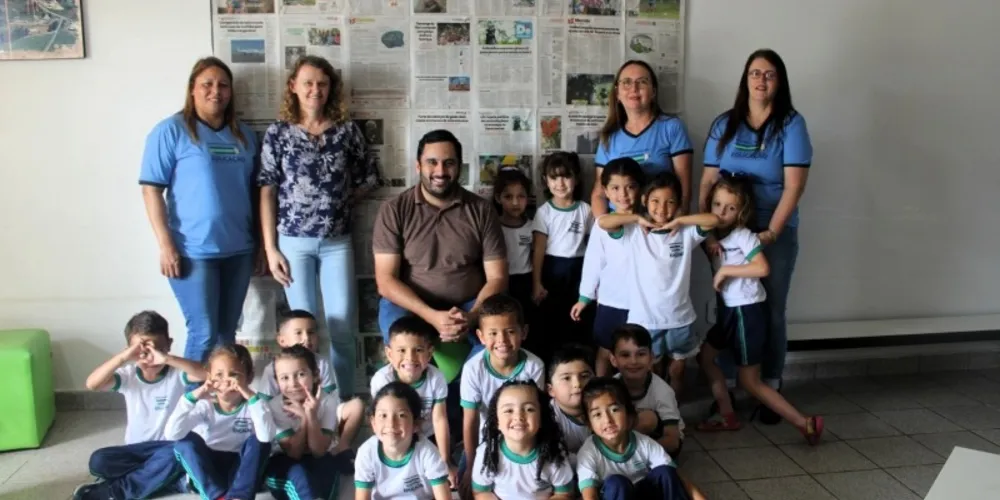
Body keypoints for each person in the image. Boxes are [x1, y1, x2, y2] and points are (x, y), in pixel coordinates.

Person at [697, 48, 813, 425]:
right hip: (727, 228)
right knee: (732, 308)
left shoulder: (791, 125)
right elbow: (708, 180)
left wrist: (770, 233)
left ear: (779, 82)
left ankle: (770, 385)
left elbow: (794, 187)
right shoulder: (724, 124)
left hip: (769, 230)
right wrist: (706, 228)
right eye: (755, 73)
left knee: (771, 309)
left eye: (770, 74)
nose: (761, 80)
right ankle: (733, 382)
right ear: (745, 79)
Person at [259, 55, 381, 397]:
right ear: (293, 87)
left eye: (323, 84)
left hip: (336, 244)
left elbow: (370, 176)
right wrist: (270, 249)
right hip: (292, 244)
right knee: (302, 333)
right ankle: (304, 403)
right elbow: (266, 190)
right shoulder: (278, 133)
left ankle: (342, 403)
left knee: (342, 327)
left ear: (331, 89)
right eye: (308, 82)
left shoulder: (346, 131)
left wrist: (339, 202)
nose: (315, 90)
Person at [139, 57, 259, 365]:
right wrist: (166, 246)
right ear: (192, 89)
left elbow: (257, 194)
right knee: (203, 333)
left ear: (231, 92)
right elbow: (151, 189)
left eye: (222, 85)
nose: (215, 91)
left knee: (226, 335)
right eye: (207, 84)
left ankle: (221, 406)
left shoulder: (245, 136)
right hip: (192, 251)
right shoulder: (171, 131)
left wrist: (260, 246)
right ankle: (190, 404)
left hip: (239, 249)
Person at [694, 173, 823, 443]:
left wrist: (726, 270)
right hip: (730, 312)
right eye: (717, 205)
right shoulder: (712, 233)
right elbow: (697, 225)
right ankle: (727, 414)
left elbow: (762, 267)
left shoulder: (743, 235)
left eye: (730, 208)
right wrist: (709, 239)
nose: (722, 213)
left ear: (741, 211)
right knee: (705, 357)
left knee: (750, 381)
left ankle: (804, 423)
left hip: (746, 313)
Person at [372, 129, 508, 385]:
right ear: (418, 165)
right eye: (432, 162)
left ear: (460, 166)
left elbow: (498, 277)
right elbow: (386, 281)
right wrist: (432, 316)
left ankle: (464, 397)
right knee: (402, 346)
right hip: (411, 304)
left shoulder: (481, 210)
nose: (440, 171)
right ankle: (412, 406)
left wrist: (472, 316)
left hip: (469, 304)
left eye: (449, 163)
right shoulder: (394, 210)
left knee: (499, 340)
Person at [597, 173, 719, 395]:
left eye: (670, 202)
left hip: (680, 319)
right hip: (645, 320)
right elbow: (603, 222)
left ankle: (675, 417)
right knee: (649, 372)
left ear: (678, 205)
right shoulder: (634, 232)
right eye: (655, 201)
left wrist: (681, 220)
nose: (662, 209)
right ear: (644, 200)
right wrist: (636, 218)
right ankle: (654, 415)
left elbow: (714, 220)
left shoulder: (685, 233)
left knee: (678, 371)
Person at [73, 312, 205, 500]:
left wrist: (167, 359)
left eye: (156, 350)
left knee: (181, 452)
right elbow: (92, 384)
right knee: (99, 461)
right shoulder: (128, 375)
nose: (149, 359)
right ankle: (166, 481)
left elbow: (206, 374)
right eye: (141, 352)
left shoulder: (177, 373)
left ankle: (116, 491)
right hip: (136, 449)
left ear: (169, 345)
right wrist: (124, 357)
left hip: (169, 447)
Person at [459, 293, 545, 497]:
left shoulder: (534, 366)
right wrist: (471, 465)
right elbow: (470, 420)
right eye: (493, 333)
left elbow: (538, 414)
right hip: (484, 441)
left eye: (510, 331)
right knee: (466, 489)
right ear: (480, 336)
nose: (502, 341)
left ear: (523, 332)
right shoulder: (473, 368)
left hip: (524, 439)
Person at [166, 345, 274, 500]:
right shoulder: (205, 406)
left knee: (258, 441)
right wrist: (193, 396)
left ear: (249, 377)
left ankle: (238, 497)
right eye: (219, 375)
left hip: (241, 471)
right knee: (184, 442)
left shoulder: (256, 404)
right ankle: (217, 497)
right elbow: (172, 434)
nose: (226, 382)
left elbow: (266, 438)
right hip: (210, 469)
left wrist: (250, 395)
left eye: (234, 375)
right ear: (209, 377)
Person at [572, 158, 646, 376]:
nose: (623, 194)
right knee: (605, 350)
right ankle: (601, 391)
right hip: (611, 300)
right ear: (605, 190)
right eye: (615, 188)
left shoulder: (650, 221)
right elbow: (594, 261)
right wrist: (584, 297)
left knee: (641, 350)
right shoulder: (603, 223)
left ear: (640, 188)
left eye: (630, 187)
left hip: (642, 301)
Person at [254, 310, 365, 453]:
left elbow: (330, 397)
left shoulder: (322, 363)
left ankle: (341, 448)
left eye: (311, 332)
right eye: (298, 333)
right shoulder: (273, 368)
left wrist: (314, 412)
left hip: (319, 411)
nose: (306, 338)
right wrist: (289, 410)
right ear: (282, 340)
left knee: (357, 405)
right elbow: (265, 402)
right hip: (288, 416)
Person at [592, 60, 693, 218]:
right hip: (620, 223)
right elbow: (599, 192)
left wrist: (673, 225)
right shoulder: (609, 136)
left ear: (653, 91)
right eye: (627, 82)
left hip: (658, 222)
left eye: (642, 82)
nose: (634, 88)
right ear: (617, 93)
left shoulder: (671, 127)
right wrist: (605, 227)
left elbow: (684, 186)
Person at [576, 378, 704, 500]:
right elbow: (589, 496)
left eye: (614, 410)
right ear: (589, 423)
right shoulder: (588, 453)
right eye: (597, 414)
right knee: (616, 483)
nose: (608, 420)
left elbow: (678, 476)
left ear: (629, 413)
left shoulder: (645, 443)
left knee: (665, 472)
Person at [370, 316, 455, 487]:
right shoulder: (381, 380)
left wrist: (444, 461)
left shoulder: (436, 377)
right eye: (401, 350)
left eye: (418, 350)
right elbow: (381, 421)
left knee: (437, 477)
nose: (410, 358)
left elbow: (439, 419)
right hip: (395, 436)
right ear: (389, 354)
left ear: (429, 353)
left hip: (428, 436)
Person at [264, 346, 352, 500]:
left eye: (301, 374)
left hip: (317, 457)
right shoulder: (275, 406)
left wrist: (311, 414)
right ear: (277, 381)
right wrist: (304, 419)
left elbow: (318, 450)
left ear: (316, 375)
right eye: (284, 378)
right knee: (299, 475)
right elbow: (294, 453)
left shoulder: (328, 401)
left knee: (327, 472)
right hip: (283, 461)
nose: (293, 383)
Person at [532, 152, 594, 361]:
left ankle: (579, 362)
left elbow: (594, 247)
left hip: (579, 269)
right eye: (554, 177)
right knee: (553, 320)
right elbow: (539, 250)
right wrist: (537, 283)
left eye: (565, 176)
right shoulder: (544, 212)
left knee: (578, 319)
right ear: (546, 181)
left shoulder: (586, 210)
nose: (560, 183)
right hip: (552, 270)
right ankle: (554, 366)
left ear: (576, 179)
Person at [471, 381, 574, 500]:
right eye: (509, 410)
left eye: (529, 409)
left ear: (541, 418)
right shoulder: (487, 452)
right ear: (497, 422)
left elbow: (564, 494)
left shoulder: (554, 451)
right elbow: (481, 492)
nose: (518, 416)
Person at [354, 382, 453, 500]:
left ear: (416, 423)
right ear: (373, 423)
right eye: (383, 415)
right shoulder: (366, 453)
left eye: (401, 415)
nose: (391, 424)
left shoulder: (427, 452)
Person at [607, 326, 683, 457]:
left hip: (660, 443)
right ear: (614, 360)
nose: (633, 361)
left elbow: (673, 441)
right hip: (626, 439)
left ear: (651, 358)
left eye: (641, 354)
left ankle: (623, 456)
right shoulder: (610, 388)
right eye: (625, 355)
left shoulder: (663, 391)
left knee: (646, 418)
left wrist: (637, 453)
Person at [494, 168, 537, 338]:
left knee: (525, 324)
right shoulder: (494, 227)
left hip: (525, 281)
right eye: (508, 197)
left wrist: (536, 285)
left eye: (521, 196)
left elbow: (535, 257)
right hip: (502, 281)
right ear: (498, 198)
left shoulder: (532, 226)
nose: (515, 202)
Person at [546, 344, 595, 465]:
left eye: (584, 376)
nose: (577, 384)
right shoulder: (548, 417)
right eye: (567, 378)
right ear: (550, 390)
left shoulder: (605, 406)